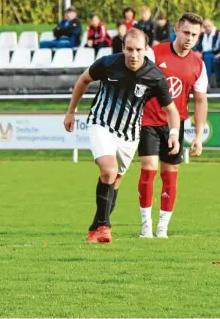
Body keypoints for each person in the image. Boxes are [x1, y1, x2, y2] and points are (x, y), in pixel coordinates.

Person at [63, 28, 181, 244]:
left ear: (146, 50)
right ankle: (105, 226)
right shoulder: (108, 63)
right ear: (123, 48)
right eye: (129, 49)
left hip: (129, 134)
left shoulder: (154, 75)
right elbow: (83, 80)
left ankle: (96, 226)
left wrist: (174, 133)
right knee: (109, 170)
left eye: (138, 50)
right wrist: (71, 111)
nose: (133, 54)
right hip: (101, 123)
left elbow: (171, 110)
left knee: (115, 180)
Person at [137, 12, 208, 238]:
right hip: (148, 120)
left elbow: (200, 100)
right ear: (176, 29)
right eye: (186, 32)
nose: (189, 38)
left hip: (174, 127)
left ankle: (162, 228)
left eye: (194, 35)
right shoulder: (154, 54)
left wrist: (198, 135)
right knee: (148, 169)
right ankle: (146, 225)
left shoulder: (198, 65)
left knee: (170, 175)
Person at [195, 19, 220, 88]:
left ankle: (206, 82)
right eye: (205, 27)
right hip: (207, 54)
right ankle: (219, 82)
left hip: (217, 54)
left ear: (212, 24)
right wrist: (198, 51)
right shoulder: (203, 35)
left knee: (208, 57)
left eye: (208, 26)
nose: (207, 28)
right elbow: (199, 46)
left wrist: (203, 52)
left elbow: (217, 48)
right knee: (207, 57)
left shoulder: (219, 33)